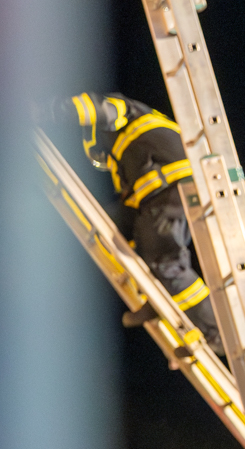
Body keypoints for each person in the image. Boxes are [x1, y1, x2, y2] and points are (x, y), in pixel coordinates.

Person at [52, 92, 222, 350]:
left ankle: (215, 334)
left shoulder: (126, 113)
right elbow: (129, 211)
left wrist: (51, 110)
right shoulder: (128, 161)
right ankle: (159, 299)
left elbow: (94, 107)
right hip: (165, 194)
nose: (103, 161)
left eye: (100, 155)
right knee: (120, 231)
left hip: (176, 187)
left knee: (166, 260)